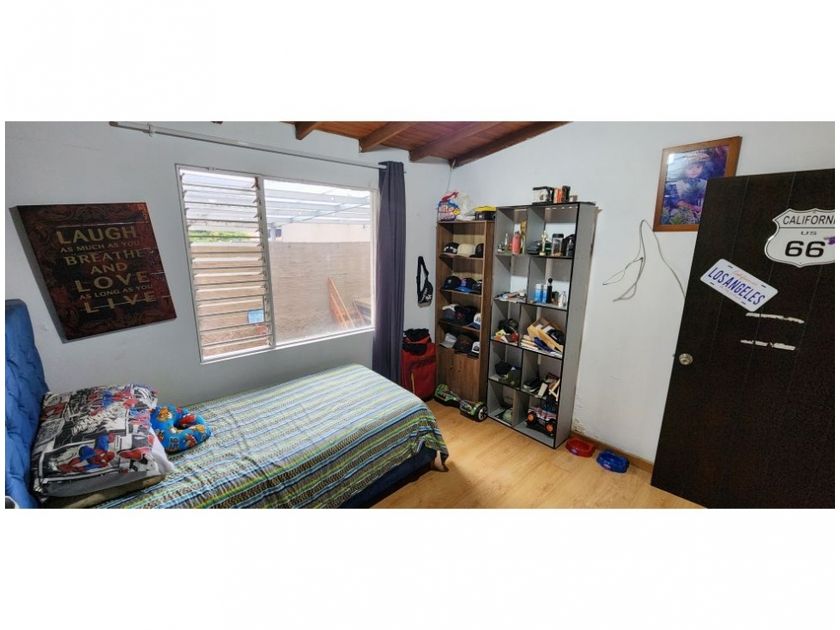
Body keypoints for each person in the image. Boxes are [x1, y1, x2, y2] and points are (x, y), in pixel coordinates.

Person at [663, 152, 711, 224]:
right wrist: (693, 207)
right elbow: (677, 201)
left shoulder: (703, 182)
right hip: (680, 210)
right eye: (690, 168)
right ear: (682, 169)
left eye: (698, 167)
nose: (694, 171)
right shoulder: (675, 184)